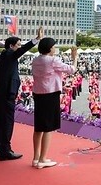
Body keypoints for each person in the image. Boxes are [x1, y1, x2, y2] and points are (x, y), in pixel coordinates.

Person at [0, 27, 42, 161]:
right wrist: (36, 40)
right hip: (6, 96)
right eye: (18, 45)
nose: (19, 48)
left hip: (0, 95)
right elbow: (21, 51)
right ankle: (5, 151)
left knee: (1, 123)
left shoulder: (5, 58)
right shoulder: (8, 54)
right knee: (7, 123)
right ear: (11, 46)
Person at [30, 37, 77, 169]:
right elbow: (71, 69)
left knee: (39, 127)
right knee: (48, 127)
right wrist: (75, 58)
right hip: (50, 94)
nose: (55, 48)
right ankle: (42, 159)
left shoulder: (36, 59)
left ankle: (36, 157)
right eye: (54, 46)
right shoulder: (52, 60)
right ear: (50, 48)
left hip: (38, 94)